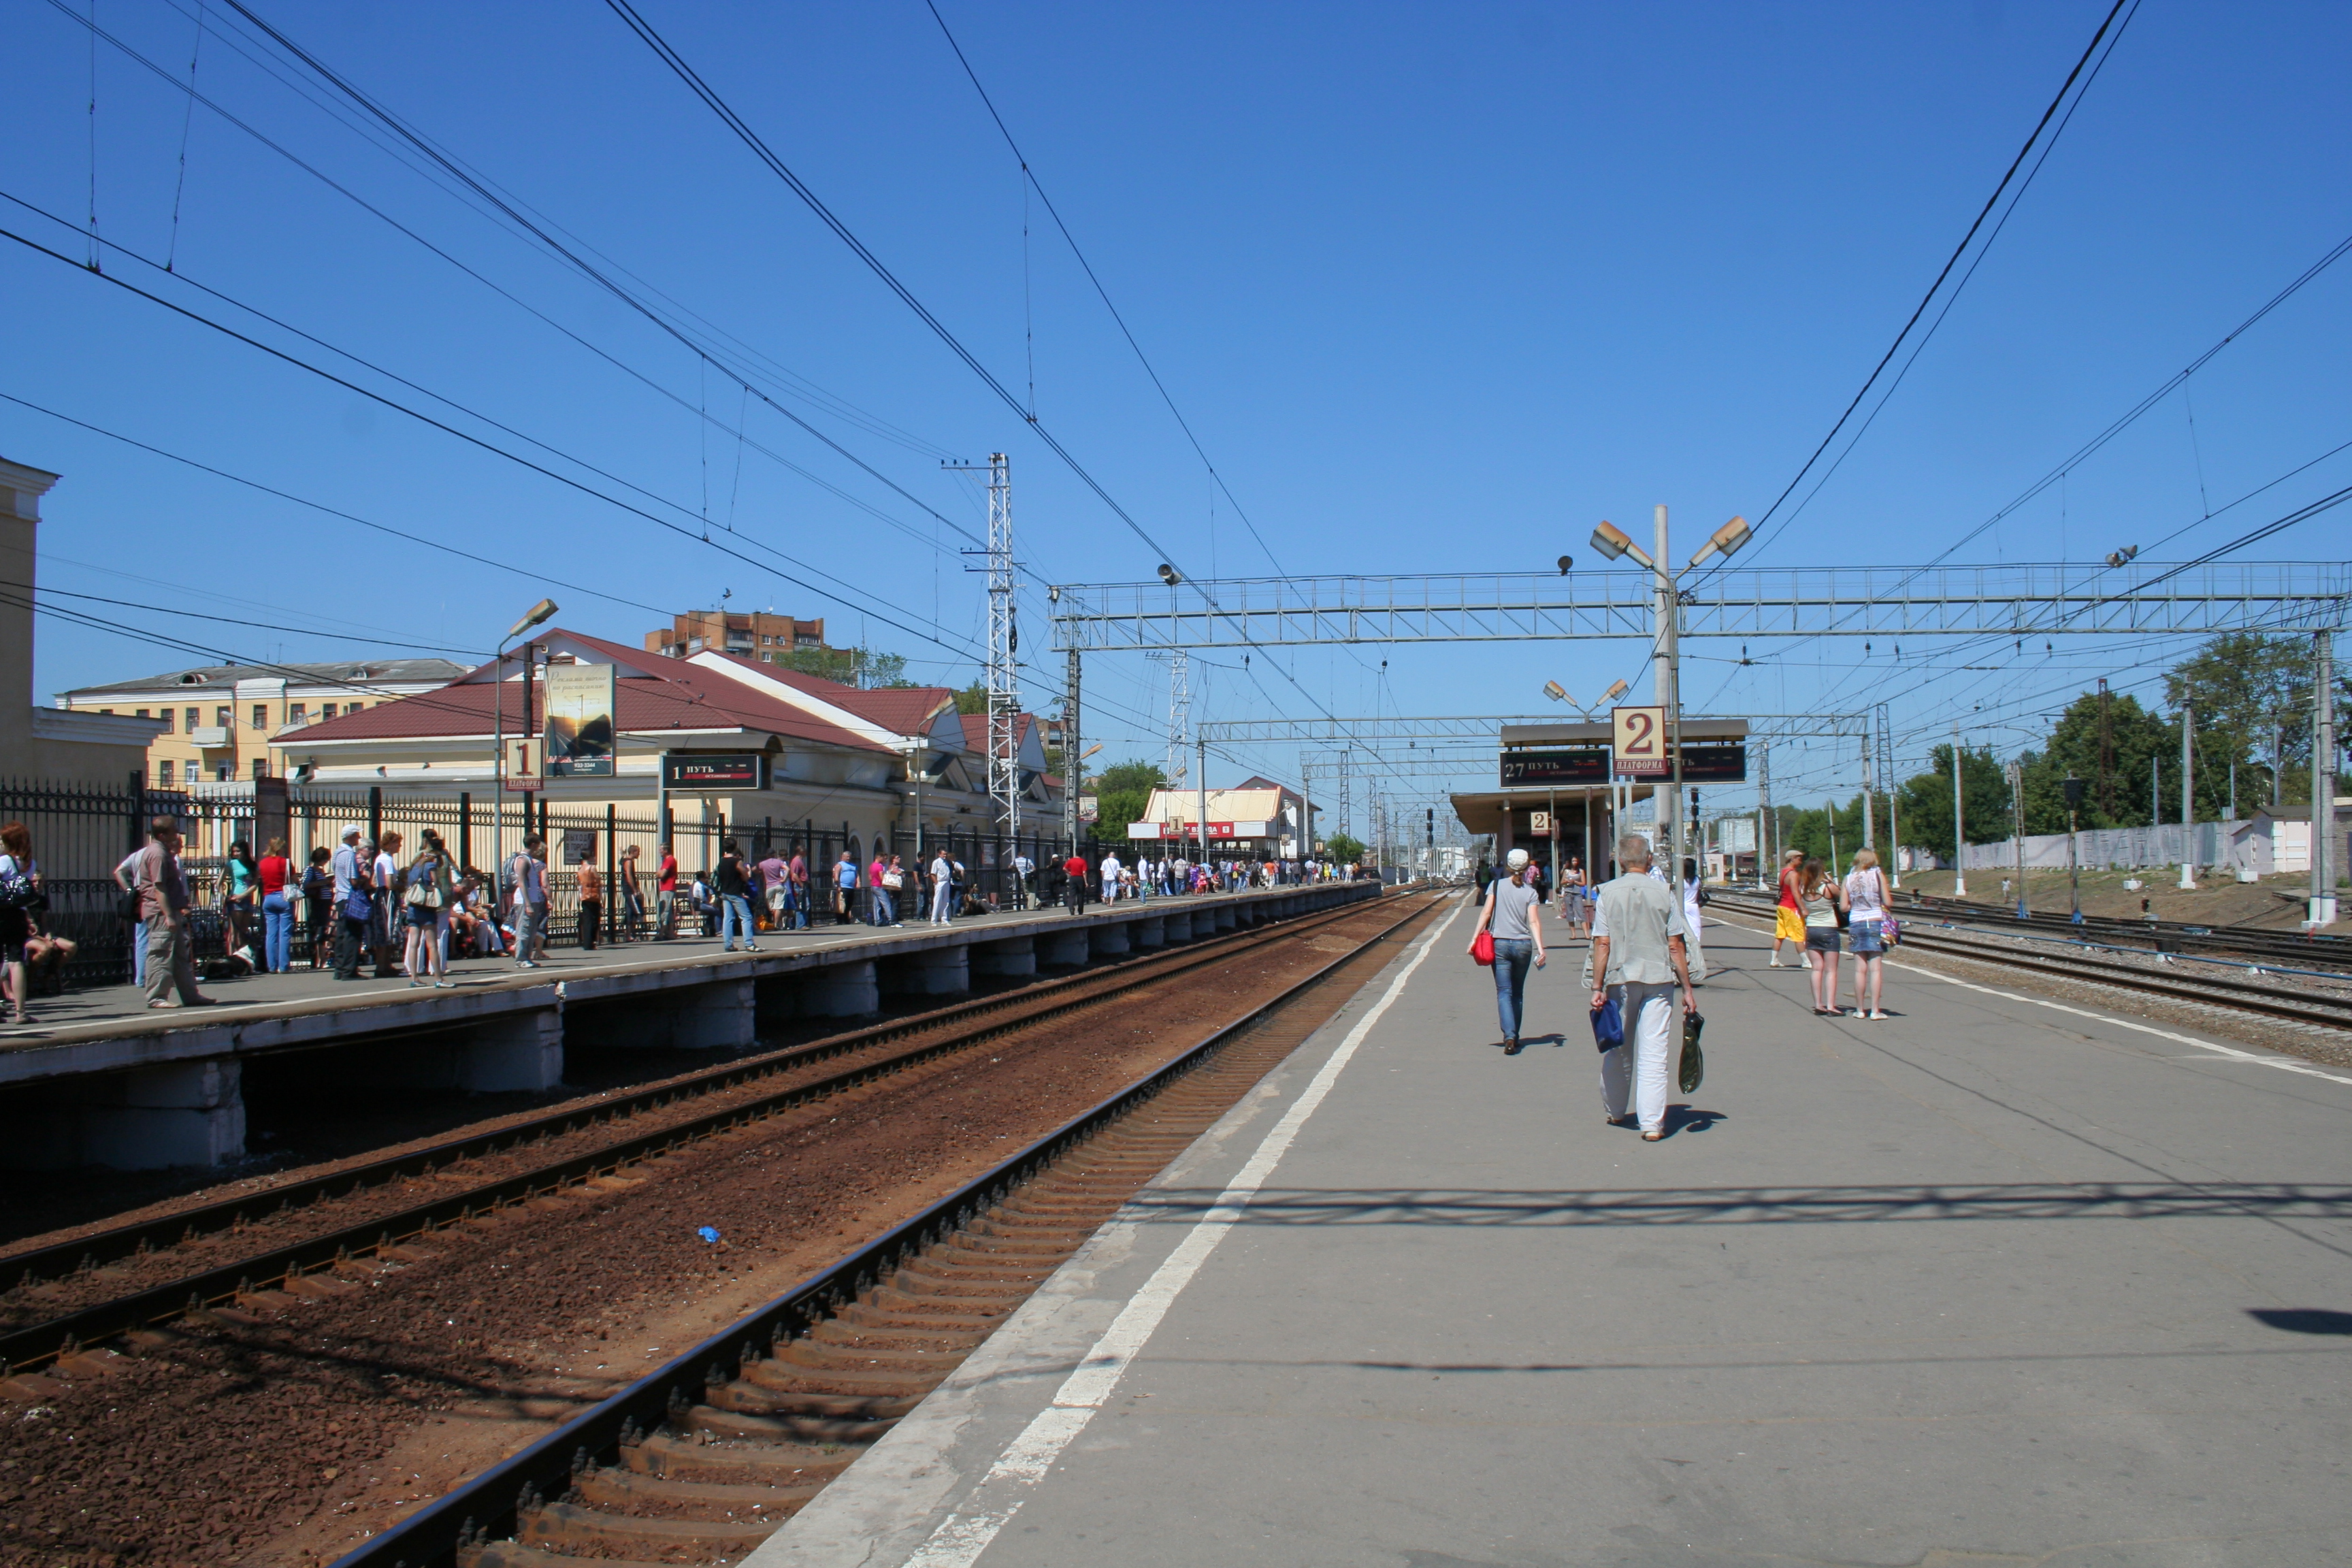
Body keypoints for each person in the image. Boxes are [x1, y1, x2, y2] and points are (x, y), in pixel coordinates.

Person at [1587, 834, 1697, 1141]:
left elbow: (1603, 943)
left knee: (1618, 1047)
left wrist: (1597, 986)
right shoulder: (1665, 892)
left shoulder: (1606, 893)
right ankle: (1651, 1124)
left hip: (1620, 979)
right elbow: (1675, 945)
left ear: (1620, 861)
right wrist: (1687, 988)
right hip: (1659, 980)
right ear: (1649, 860)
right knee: (1655, 1052)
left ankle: (1616, 1110)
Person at [1467, 847, 1546, 1054]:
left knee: (1504, 991)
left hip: (1500, 944)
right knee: (1517, 994)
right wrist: (1541, 948)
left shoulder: (1497, 886)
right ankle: (1515, 1035)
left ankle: (1509, 1036)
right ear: (1526, 866)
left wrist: (1475, 938)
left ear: (1509, 866)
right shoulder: (1530, 892)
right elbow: (1534, 922)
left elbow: (1486, 913)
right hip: (1523, 946)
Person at [131, 815, 212, 1009]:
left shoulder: (164, 852)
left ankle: (191, 995)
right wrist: (168, 915)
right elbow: (159, 887)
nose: (177, 833)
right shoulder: (157, 854)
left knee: (179, 956)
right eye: (173, 830)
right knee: (160, 953)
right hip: (161, 913)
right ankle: (156, 997)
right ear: (161, 834)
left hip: (170, 910)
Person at [0, 821, 42, 1024]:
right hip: (18, 915)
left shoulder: (4, 862)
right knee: (17, 961)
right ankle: (21, 1012)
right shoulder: (29, 863)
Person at [1844, 848, 1892, 1020]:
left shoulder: (1848, 878)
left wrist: (1855, 907)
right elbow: (1888, 901)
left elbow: (1843, 907)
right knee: (1876, 969)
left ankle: (1859, 1009)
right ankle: (1875, 1010)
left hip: (1856, 923)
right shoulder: (1878, 875)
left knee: (1859, 970)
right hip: (1875, 922)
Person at [402, 832, 454, 987]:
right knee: (432, 944)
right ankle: (439, 978)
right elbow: (435, 882)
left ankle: (415, 978)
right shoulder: (431, 865)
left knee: (413, 943)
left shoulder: (414, 865)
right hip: (426, 907)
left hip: (413, 907)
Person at [1797, 855, 1846, 1015]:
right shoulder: (1827, 887)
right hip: (1829, 930)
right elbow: (1843, 896)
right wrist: (1830, 880)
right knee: (1831, 970)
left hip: (1811, 930)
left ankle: (1818, 1004)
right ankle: (1831, 1006)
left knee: (1817, 969)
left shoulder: (1803, 888)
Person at [331, 826, 372, 981]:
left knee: (342, 934)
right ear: (351, 837)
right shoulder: (348, 854)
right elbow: (353, 880)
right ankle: (350, 970)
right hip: (350, 897)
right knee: (353, 935)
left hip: (340, 896)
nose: (358, 838)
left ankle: (340, 969)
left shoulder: (337, 852)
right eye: (356, 835)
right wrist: (365, 878)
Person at [510, 833, 549, 968]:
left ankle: (527, 957)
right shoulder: (522, 860)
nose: (538, 847)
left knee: (531, 931)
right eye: (537, 844)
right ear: (533, 845)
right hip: (525, 901)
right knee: (524, 930)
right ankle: (520, 959)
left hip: (533, 899)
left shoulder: (528, 859)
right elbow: (521, 883)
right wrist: (528, 904)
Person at [257, 836, 294, 974]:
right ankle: (284, 966)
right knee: (284, 933)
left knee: (271, 934)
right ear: (280, 848)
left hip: (268, 898)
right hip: (282, 896)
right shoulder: (285, 863)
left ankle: (272, 966)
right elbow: (293, 879)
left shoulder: (263, 863)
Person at [1769, 849, 1810, 969]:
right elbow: (1795, 893)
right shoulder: (1793, 874)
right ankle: (1806, 961)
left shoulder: (1783, 872)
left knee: (1780, 934)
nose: (1801, 861)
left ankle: (1774, 959)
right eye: (1799, 858)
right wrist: (1803, 908)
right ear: (1792, 859)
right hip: (1791, 907)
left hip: (1782, 906)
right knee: (1799, 935)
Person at [223, 838, 259, 968]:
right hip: (235, 900)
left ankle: (241, 958)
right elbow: (219, 882)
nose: (235, 854)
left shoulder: (252, 865)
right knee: (234, 932)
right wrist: (225, 896)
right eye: (233, 851)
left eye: (238, 851)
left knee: (244, 931)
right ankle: (231, 957)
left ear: (244, 851)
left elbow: (255, 883)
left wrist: (244, 894)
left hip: (247, 899)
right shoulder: (231, 864)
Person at [715, 837, 757, 951]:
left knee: (728, 918)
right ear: (735, 847)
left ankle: (728, 944)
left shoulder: (722, 861)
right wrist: (746, 875)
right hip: (736, 893)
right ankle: (749, 943)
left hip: (725, 892)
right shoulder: (737, 862)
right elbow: (745, 875)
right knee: (746, 917)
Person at [301, 847, 334, 969]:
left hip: (325, 902)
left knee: (323, 929)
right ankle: (319, 959)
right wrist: (323, 883)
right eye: (325, 859)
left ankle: (322, 958)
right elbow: (304, 885)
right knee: (319, 930)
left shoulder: (320, 871)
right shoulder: (310, 870)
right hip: (317, 902)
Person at [1680, 857, 1708, 985]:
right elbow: (1699, 896)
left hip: (1682, 907)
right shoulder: (1697, 880)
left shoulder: (1680, 880)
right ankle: (1696, 959)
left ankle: (1686, 959)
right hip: (1694, 908)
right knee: (1696, 935)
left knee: (1683, 934)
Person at [759, 845, 789, 932]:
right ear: (774, 854)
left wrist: (762, 874)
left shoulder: (763, 864)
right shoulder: (778, 862)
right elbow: (787, 869)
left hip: (769, 886)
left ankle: (775, 922)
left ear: (767, 855)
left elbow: (755, 869)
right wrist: (784, 878)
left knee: (772, 907)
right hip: (779, 885)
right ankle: (776, 924)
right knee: (779, 906)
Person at [576, 855, 602, 952]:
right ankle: (592, 941)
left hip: (584, 895)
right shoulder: (592, 868)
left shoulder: (580, 869)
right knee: (594, 918)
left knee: (587, 919)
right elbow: (597, 879)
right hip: (593, 895)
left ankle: (586, 942)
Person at [655, 842, 679, 938]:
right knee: (668, 911)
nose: (659, 851)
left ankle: (661, 933)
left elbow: (661, 874)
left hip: (667, 888)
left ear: (666, 850)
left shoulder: (669, 860)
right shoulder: (666, 860)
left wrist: (658, 874)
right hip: (666, 888)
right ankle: (670, 933)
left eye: (661, 850)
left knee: (665, 910)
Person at [832, 847, 859, 925]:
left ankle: (846, 919)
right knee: (842, 904)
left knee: (849, 904)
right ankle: (840, 920)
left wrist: (858, 882)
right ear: (842, 857)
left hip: (851, 887)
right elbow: (836, 875)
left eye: (849, 857)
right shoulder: (840, 865)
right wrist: (838, 886)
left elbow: (857, 874)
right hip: (843, 887)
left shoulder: (853, 866)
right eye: (847, 857)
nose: (848, 858)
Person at [878, 854, 906, 926]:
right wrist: (902, 873)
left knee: (897, 903)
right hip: (894, 887)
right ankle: (894, 921)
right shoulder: (893, 867)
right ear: (893, 860)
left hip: (896, 887)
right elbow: (898, 873)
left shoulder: (895, 867)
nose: (899, 859)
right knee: (895, 903)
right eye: (897, 858)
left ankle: (895, 919)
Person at [1063, 849, 1090, 915]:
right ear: (1082, 854)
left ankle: (1071, 908)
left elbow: (1064, 868)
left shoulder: (1071, 860)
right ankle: (1080, 910)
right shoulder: (1083, 862)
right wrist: (1086, 882)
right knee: (1080, 895)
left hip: (1073, 878)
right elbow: (1084, 872)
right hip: (1080, 878)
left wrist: (1069, 873)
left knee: (1072, 894)